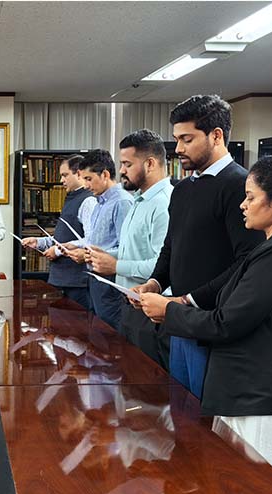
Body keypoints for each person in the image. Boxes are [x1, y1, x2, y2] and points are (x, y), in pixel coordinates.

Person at [138, 153, 272, 494]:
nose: (242, 205)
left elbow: (227, 322)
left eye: (251, 197)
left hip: (268, 405)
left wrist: (169, 311)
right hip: (255, 397)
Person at [130, 95, 264, 398]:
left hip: (214, 328)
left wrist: (188, 301)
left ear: (216, 136)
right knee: (182, 412)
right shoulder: (183, 189)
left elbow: (247, 262)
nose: (177, 149)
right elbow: (171, 245)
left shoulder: (239, 187)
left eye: (186, 139)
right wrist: (155, 282)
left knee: (208, 424)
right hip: (180, 322)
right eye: (177, 139)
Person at [86, 130, 172, 368]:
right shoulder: (138, 199)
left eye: (126, 164)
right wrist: (106, 256)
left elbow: (163, 265)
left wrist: (115, 265)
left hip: (150, 312)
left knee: (147, 389)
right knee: (129, 382)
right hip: (131, 306)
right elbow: (131, 250)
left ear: (150, 163)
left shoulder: (163, 204)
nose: (121, 170)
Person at [21, 154, 96, 312]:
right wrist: (39, 242)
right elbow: (66, 237)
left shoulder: (88, 201)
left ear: (79, 173)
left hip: (77, 281)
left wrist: (57, 250)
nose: (61, 180)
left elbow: (91, 240)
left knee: (76, 331)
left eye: (65, 175)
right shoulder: (71, 198)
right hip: (63, 279)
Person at [76, 149, 133, 331]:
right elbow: (96, 241)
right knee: (98, 333)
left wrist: (90, 255)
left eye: (88, 179)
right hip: (95, 278)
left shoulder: (122, 202)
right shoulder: (99, 203)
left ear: (105, 174)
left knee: (111, 336)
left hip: (111, 281)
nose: (85, 185)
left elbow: (126, 248)